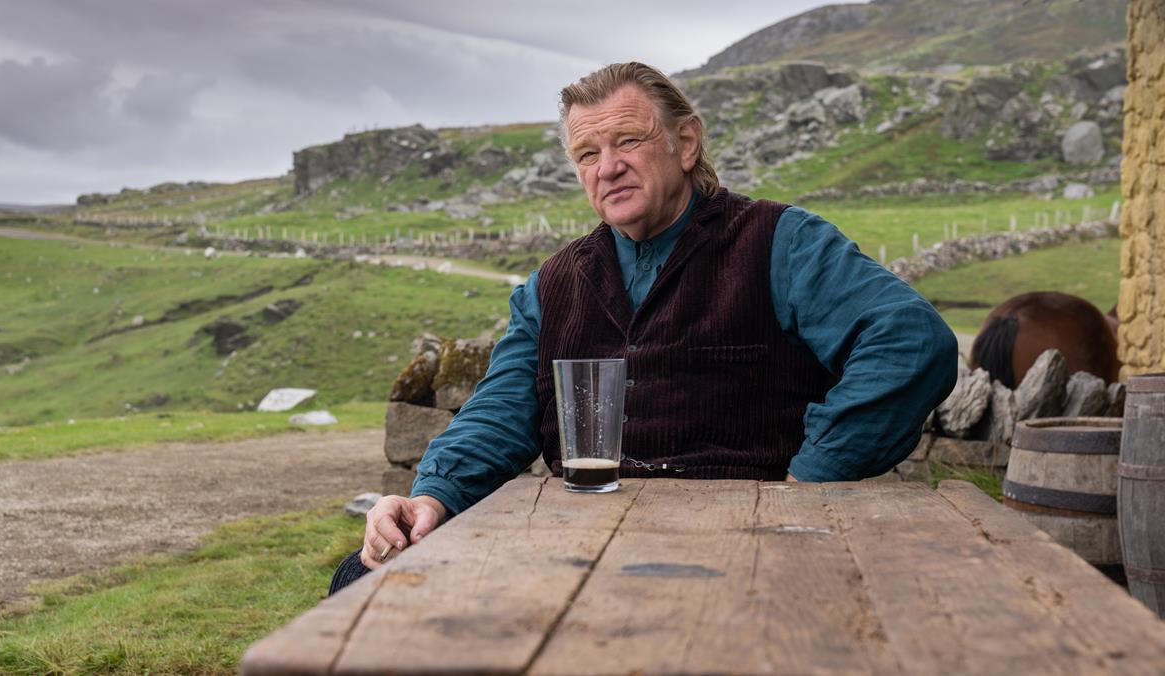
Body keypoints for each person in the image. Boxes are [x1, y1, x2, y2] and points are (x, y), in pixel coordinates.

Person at [328, 62, 958, 594]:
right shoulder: (554, 285)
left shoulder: (778, 241)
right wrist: (429, 500)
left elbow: (910, 342)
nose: (607, 168)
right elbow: (498, 412)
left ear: (686, 143)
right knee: (360, 578)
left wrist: (811, 477)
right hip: (584, 539)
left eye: (627, 141)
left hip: (745, 542)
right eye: (587, 153)